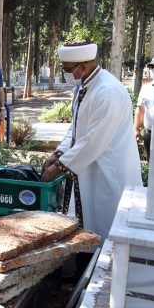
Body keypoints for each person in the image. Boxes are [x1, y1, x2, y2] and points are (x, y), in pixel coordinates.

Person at [41, 42, 142, 241]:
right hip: (90, 168)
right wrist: (57, 154)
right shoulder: (83, 86)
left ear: (84, 66)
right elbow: (77, 127)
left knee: (106, 227)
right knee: (88, 223)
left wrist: (60, 167)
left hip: (109, 173)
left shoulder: (108, 91)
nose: (66, 74)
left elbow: (94, 139)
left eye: (67, 70)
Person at [135, 56, 154, 161]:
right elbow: (140, 109)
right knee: (151, 164)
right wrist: (136, 129)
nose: (153, 69)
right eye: (152, 67)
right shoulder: (146, 88)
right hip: (149, 134)